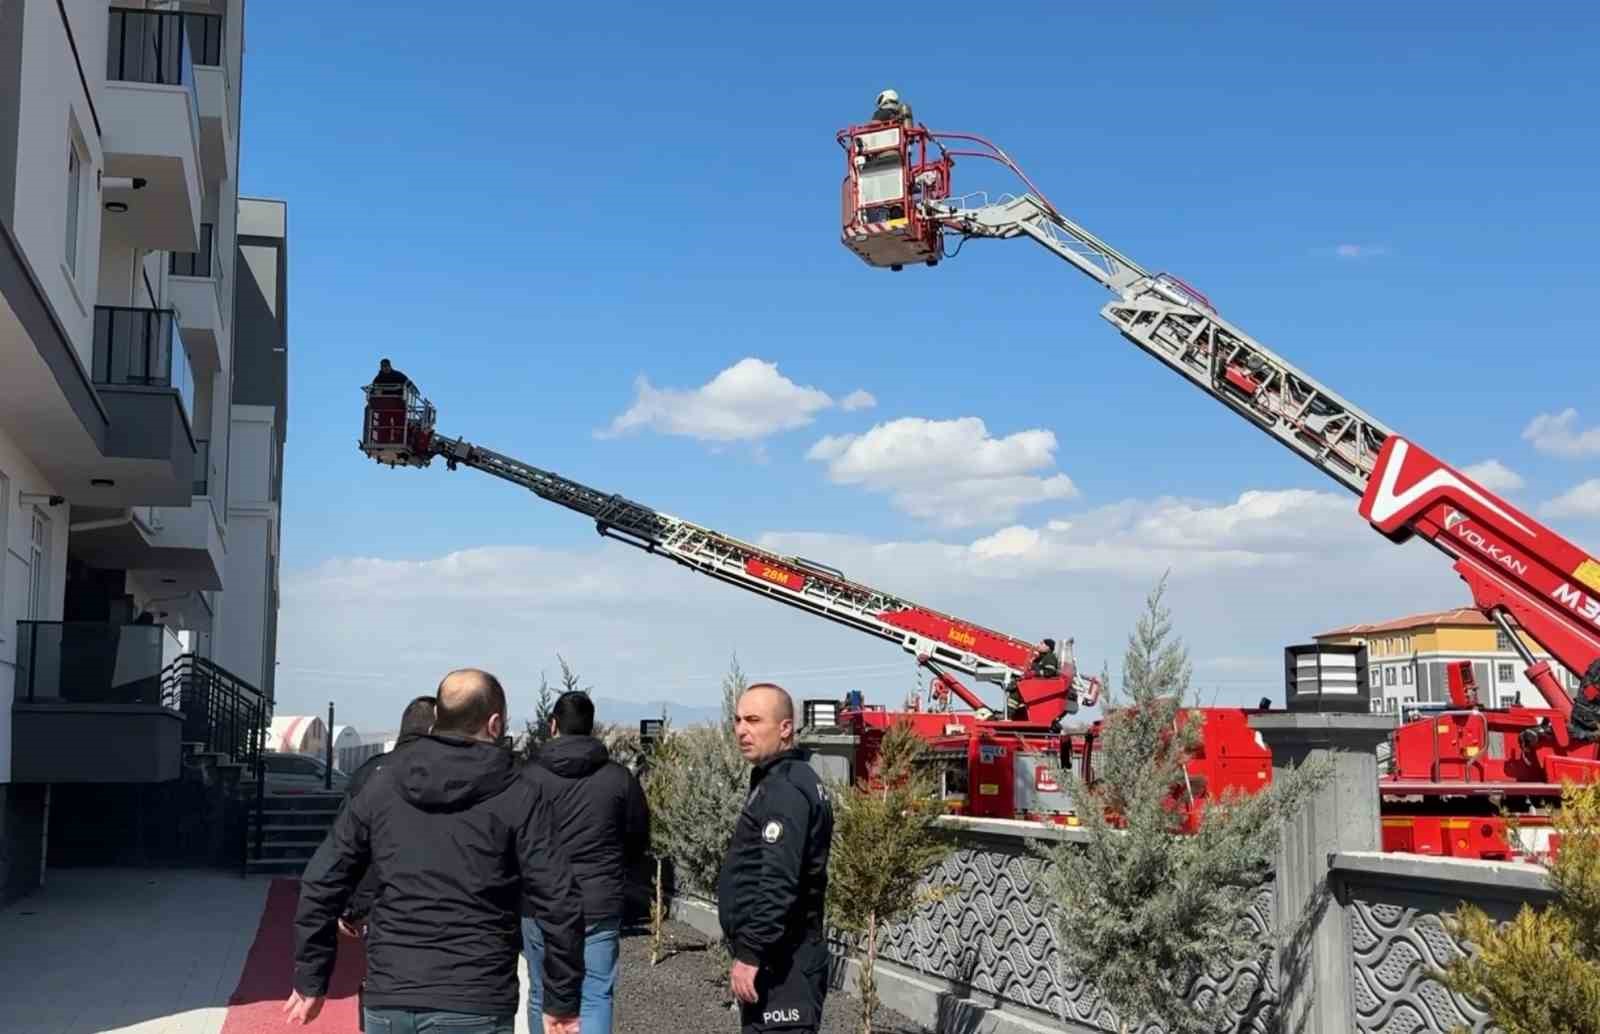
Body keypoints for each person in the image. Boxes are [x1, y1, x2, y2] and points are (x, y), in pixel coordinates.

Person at [283, 669, 586, 1034]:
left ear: (437, 718)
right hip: (476, 996)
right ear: (494, 723)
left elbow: (322, 879)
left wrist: (312, 977)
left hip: (391, 994)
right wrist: (561, 999)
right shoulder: (518, 790)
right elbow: (558, 898)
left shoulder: (383, 781)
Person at [522, 691, 651, 1034]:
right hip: (598, 900)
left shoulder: (528, 778)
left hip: (541, 901)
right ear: (591, 727)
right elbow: (638, 837)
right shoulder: (618, 778)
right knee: (596, 994)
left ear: (553, 725)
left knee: (540, 992)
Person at [717, 682, 834, 1034]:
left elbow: (779, 879)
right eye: (738, 720)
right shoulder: (786, 779)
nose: (742, 730)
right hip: (778, 956)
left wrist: (751, 953)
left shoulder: (784, 788)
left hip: (783, 961)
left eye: (754, 720)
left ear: (785, 728)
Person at [337, 694, 437, 939]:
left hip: (381, 909)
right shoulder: (449, 776)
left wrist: (348, 903)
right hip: (438, 908)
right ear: (433, 730)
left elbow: (345, 846)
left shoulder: (369, 773)